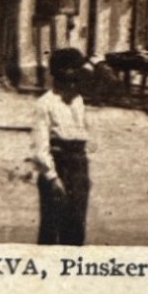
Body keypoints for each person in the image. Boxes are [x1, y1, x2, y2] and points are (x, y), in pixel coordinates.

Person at [33, 47, 91, 247]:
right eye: (69, 72)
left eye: (77, 71)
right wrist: (52, 177)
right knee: (52, 227)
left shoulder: (78, 101)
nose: (74, 78)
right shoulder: (45, 103)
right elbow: (40, 146)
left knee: (76, 225)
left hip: (79, 166)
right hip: (59, 166)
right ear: (57, 74)